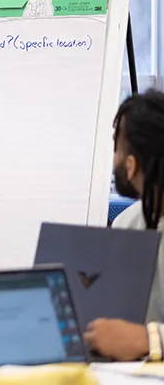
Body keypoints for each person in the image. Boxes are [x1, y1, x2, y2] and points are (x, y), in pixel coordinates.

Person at [84, 89, 164, 361]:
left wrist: (148, 340)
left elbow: (136, 337)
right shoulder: (127, 224)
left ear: (130, 166)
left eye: (116, 147)